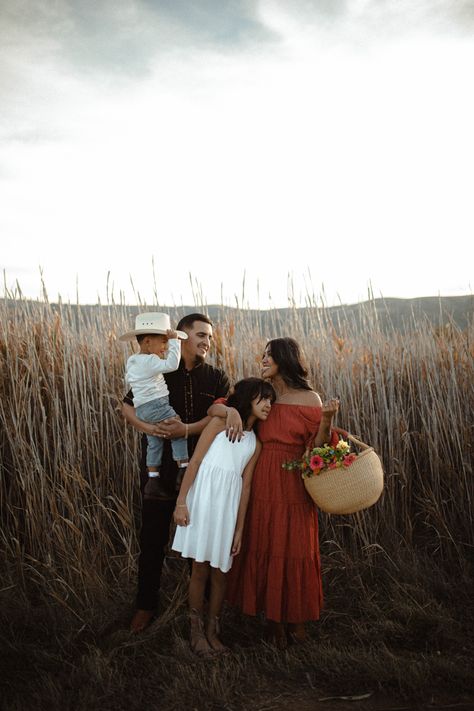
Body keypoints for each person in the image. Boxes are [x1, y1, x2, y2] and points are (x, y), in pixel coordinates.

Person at [212, 337, 339, 648]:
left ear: (284, 358)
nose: (263, 359)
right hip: (261, 479)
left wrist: (327, 420)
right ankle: (272, 621)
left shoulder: (310, 399)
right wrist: (227, 412)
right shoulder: (261, 393)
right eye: (263, 355)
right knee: (266, 542)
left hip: (294, 482)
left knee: (295, 548)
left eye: (268, 355)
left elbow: (320, 447)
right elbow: (220, 403)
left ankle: (295, 621)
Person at [122, 313, 238, 633]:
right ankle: (145, 607)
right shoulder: (157, 370)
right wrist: (151, 428)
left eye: (210, 337)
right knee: (153, 538)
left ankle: (197, 614)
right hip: (158, 472)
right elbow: (126, 406)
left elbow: (221, 415)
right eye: (201, 335)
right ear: (182, 336)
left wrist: (186, 429)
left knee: (198, 544)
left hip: (199, 470)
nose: (207, 341)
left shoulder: (216, 377)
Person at [172, 378, 276, 657]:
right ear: (247, 399)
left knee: (221, 574)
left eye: (270, 400)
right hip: (203, 501)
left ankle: (212, 631)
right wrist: (181, 502)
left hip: (227, 510)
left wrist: (240, 529)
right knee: (200, 569)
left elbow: (247, 487)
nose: (268, 404)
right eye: (263, 398)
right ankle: (195, 632)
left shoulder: (255, 443)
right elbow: (194, 462)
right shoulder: (219, 425)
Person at [120, 313, 189, 499]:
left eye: (168, 342)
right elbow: (172, 364)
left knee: (154, 441)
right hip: (156, 404)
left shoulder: (133, 361)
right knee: (176, 426)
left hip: (142, 408)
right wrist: (176, 342)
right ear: (148, 342)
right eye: (164, 342)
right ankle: (183, 468)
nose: (166, 347)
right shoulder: (150, 360)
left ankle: (153, 478)